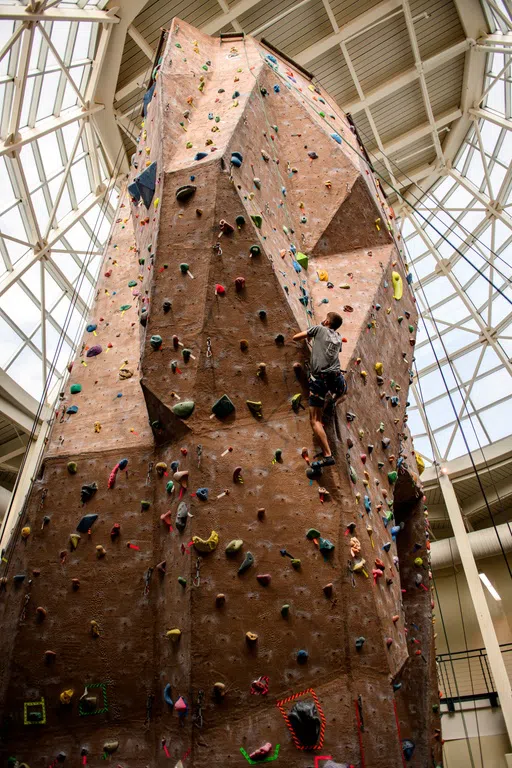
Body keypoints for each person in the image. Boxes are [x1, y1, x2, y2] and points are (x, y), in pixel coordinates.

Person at [293, 312, 347, 468]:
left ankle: (328, 455)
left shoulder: (318, 329)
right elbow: (328, 350)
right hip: (336, 379)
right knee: (343, 389)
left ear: (327, 321)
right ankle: (334, 400)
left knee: (315, 420)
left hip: (320, 380)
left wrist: (312, 333)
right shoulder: (338, 338)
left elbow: (296, 337)